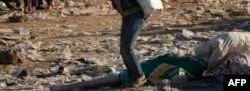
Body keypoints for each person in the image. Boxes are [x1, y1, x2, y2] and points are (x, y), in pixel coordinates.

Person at [91, 0, 147, 87]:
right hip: (126, 16)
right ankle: (132, 76)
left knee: (127, 48)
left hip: (136, 14)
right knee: (123, 49)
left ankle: (140, 76)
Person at [50, 53, 209, 91]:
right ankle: (64, 86)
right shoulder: (194, 66)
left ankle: (64, 87)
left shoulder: (184, 60)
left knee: (104, 79)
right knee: (105, 79)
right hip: (143, 72)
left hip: (141, 69)